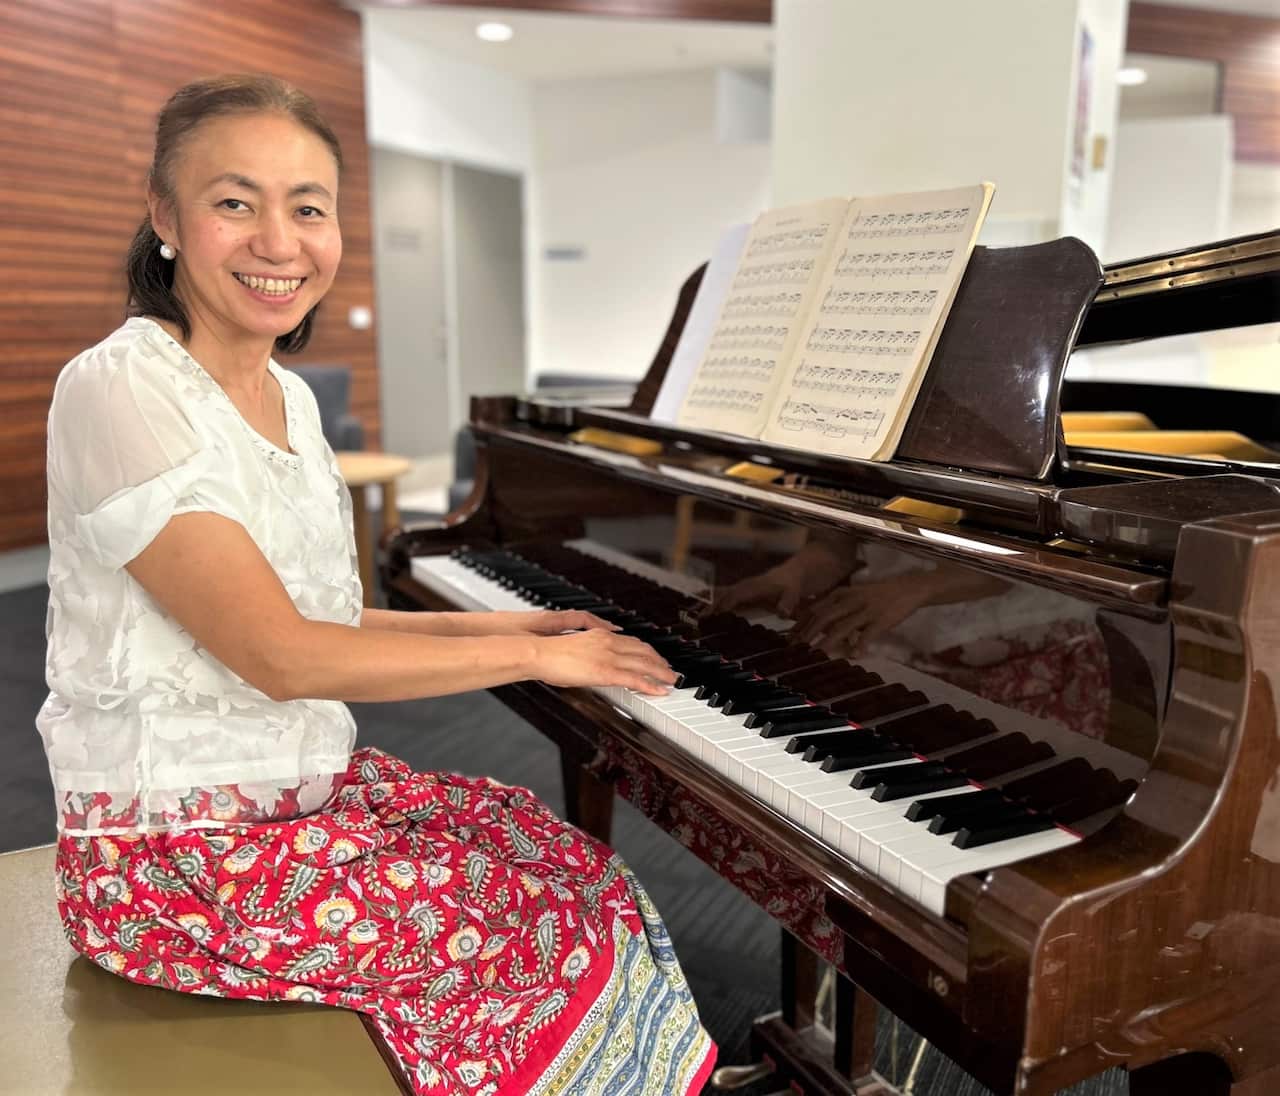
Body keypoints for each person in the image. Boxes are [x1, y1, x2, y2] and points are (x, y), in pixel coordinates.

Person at [39, 74, 715, 1096]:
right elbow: (279, 654)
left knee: (569, 863)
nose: (279, 240)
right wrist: (535, 656)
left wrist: (511, 616)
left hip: (296, 799)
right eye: (235, 202)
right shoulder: (120, 387)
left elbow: (315, 615)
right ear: (165, 217)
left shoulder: (288, 399)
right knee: (531, 939)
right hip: (173, 854)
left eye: (308, 207)